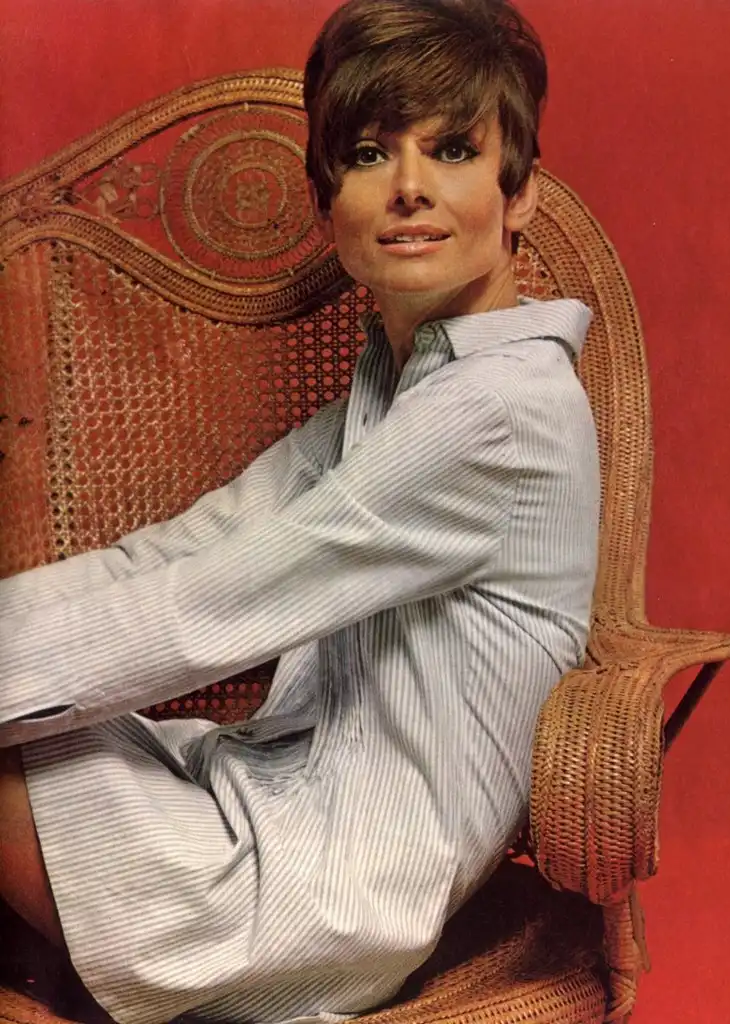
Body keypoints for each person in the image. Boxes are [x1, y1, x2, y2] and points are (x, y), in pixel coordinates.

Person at [0, 0, 600, 1022]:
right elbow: (176, 553)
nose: (409, 187)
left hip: (330, 895)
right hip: (265, 801)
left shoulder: (500, 415)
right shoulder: (402, 393)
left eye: (453, 150)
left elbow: (210, 606)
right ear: (331, 210)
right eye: (370, 154)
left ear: (521, 194)